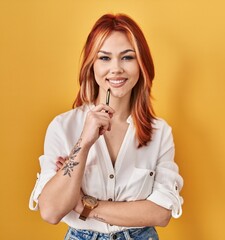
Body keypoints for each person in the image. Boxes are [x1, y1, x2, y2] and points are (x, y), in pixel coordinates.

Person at [29, 13, 183, 240]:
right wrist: (84, 142)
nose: (116, 69)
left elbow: (160, 213)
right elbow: (51, 211)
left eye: (127, 57)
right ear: (92, 65)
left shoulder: (160, 133)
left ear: (141, 65)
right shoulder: (62, 127)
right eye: (104, 58)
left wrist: (84, 206)